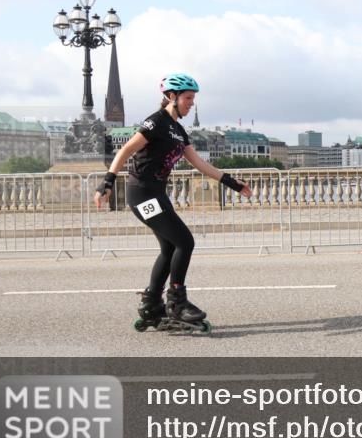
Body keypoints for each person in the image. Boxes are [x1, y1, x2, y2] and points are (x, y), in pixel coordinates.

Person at [94, 73, 252, 330]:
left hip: (156, 194)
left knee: (170, 249)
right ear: (172, 97)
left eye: (193, 98)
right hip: (141, 193)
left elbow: (200, 164)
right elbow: (125, 150)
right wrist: (108, 182)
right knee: (185, 241)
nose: (191, 103)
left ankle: (151, 304)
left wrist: (233, 183)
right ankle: (177, 303)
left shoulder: (178, 131)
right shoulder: (155, 122)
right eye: (188, 98)